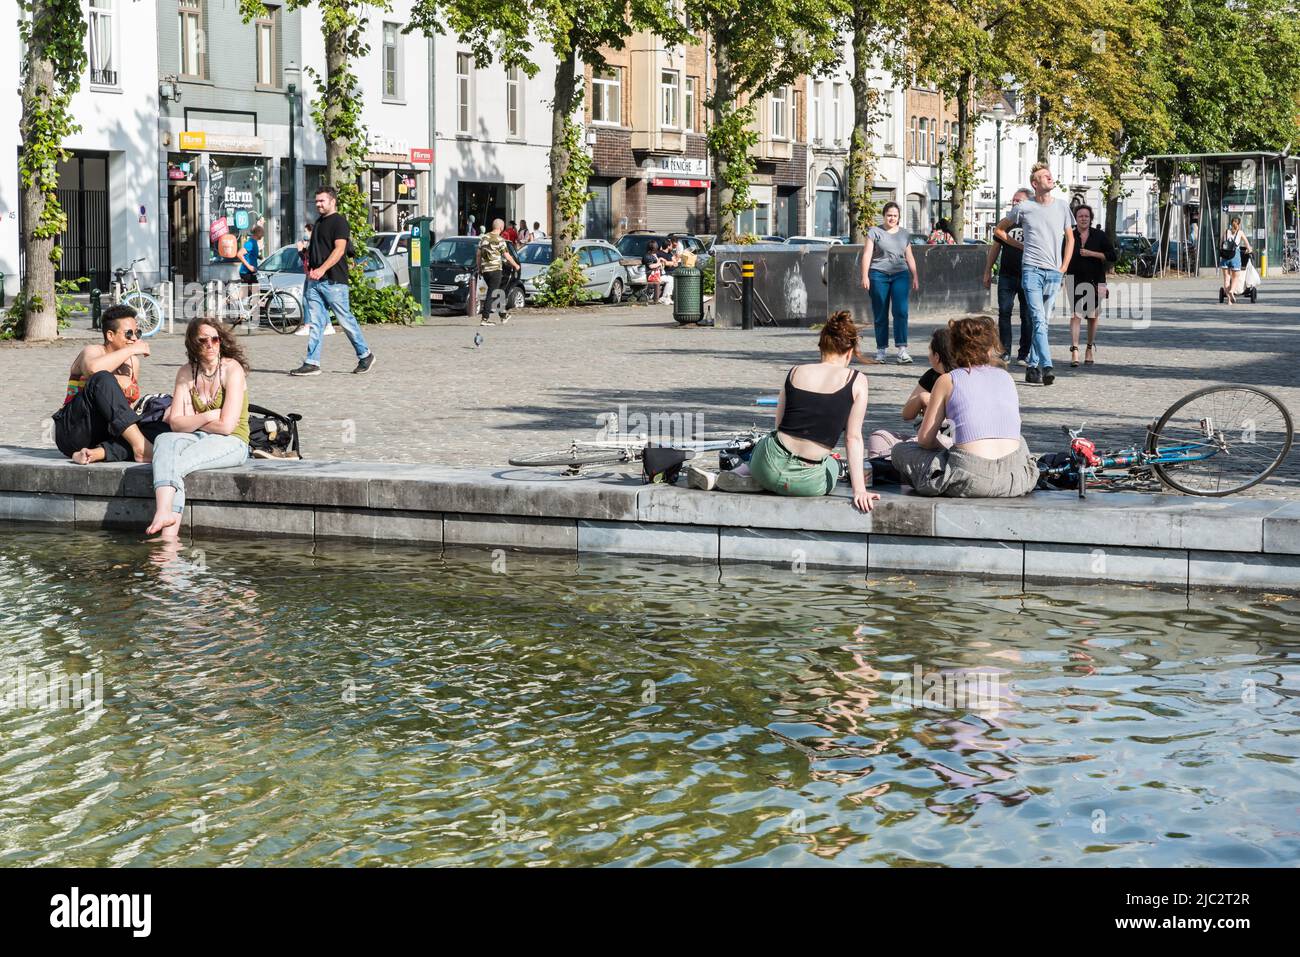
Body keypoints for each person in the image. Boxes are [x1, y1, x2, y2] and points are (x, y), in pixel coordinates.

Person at [688, 312, 878, 512]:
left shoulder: (795, 371)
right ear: (850, 352)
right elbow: (853, 439)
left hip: (767, 463)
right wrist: (860, 491)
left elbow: (778, 427)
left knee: (768, 443)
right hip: (807, 481)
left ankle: (745, 475)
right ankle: (764, 480)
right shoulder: (856, 380)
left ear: (821, 347)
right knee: (831, 464)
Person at [890, 315, 1039, 497]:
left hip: (971, 478)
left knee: (900, 451)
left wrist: (947, 452)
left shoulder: (948, 380)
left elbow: (925, 440)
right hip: (1015, 477)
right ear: (990, 348)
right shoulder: (1006, 377)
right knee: (1019, 440)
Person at [146, 318, 251, 540]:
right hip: (197, 436)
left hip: (233, 441)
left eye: (215, 339)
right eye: (203, 340)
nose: (210, 345)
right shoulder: (186, 372)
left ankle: (168, 537)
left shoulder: (232, 369)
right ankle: (164, 514)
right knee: (165, 439)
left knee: (176, 464)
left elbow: (227, 426)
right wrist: (208, 415)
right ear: (193, 343)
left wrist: (192, 418)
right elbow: (175, 423)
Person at [993, 162, 1075, 385]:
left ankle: (1032, 365)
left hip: (1054, 271)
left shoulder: (1062, 206)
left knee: (1043, 321)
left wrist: (1064, 267)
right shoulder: (1024, 207)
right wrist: (1020, 246)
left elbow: (1071, 239)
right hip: (1031, 270)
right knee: (1037, 318)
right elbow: (999, 230)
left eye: (1050, 175)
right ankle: (1047, 366)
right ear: (1034, 183)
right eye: (1044, 176)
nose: (1050, 178)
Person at [52, 304, 163, 464]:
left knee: (160, 422)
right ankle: (140, 448)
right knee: (102, 378)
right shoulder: (93, 351)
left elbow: (124, 411)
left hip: (104, 434)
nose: (134, 338)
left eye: (137, 333)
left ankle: (95, 453)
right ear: (110, 335)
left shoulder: (133, 363)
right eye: (128, 334)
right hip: (74, 430)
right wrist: (131, 350)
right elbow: (93, 370)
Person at [290, 186, 374, 376]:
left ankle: (365, 355)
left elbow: (339, 250)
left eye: (322, 201)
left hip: (333, 281)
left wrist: (321, 269)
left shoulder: (339, 222)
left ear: (332, 201)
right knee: (316, 323)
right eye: (317, 201)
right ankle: (312, 362)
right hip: (315, 281)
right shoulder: (319, 222)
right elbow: (318, 250)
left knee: (345, 320)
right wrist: (308, 261)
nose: (318, 204)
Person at [867, 326, 957, 459]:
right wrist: (921, 398)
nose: (928, 355)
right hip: (923, 440)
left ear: (937, 356)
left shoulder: (960, 379)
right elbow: (906, 415)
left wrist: (938, 409)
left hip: (949, 441)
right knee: (879, 437)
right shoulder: (931, 376)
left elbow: (954, 432)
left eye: (929, 350)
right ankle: (884, 466)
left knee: (904, 449)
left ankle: (891, 462)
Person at [860, 201, 920, 364]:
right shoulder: (874, 232)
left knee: (901, 311)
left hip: (900, 274)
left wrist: (915, 275)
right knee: (880, 313)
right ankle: (881, 351)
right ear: (884, 216)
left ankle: (902, 350)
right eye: (889, 215)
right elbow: (867, 255)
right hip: (878, 274)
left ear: (899, 217)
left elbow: (909, 256)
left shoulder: (904, 234)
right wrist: (865, 276)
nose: (892, 218)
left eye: (895, 215)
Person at [983, 188, 1032, 363]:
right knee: (1004, 312)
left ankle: (1024, 353)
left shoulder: (1032, 222)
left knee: (1027, 315)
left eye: (1018, 201)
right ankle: (1005, 350)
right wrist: (988, 270)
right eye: (1013, 200)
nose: (1014, 203)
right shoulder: (1006, 223)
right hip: (1007, 275)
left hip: (1028, 274)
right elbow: (995, 248)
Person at [1066, 204, 1115, 367]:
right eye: (1080, 216)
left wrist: (1091, 253)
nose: (1083, 218)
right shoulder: (1069, 235)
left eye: (1086, 216)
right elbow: (1061, 257)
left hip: (1097, 280)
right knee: (1076, 314)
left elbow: (1112, 256)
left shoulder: (1099, 236)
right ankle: (1074, 350)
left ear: (1091, 218)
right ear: (1076, 218)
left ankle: (1089, 348)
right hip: (1074, 278)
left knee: (1093, 316)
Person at [475, 217, 520, 326]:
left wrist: (479, 268)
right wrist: (516, 265)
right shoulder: (500, 240)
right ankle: (485, 318)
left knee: (497, 291)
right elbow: (507, 255)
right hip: (495, 269)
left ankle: (503, 315)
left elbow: (478, 255)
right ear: (501, 227)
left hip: (485, 270)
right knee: (492, 293)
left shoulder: (484, 238)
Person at [294, 223, 333, 337]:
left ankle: (308, 325)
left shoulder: (315, 244)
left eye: (306, 231)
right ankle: (327, 325)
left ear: (311, 232)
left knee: (307, 300)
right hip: (310, 274)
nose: (305, 234)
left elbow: (309, 259)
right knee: (315, 301)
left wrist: (300, 251)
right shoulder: (311, 244)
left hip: (313, 275)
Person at [1219, 215, 1251, 305]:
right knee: (1235, 277)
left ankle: (1229, 300)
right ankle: (1232, 291)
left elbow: (1220, 244)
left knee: (1226, 278)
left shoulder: (1225, 232)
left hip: (1225, 257)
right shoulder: (1240, 233)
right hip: (1235, 257)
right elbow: (1247, 244)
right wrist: (1249, 249)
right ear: (1239, 224)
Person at [236, 224, 263, 303]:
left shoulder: (254, 242)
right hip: (246, 272)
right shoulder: (250, 243)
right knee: (250, 292)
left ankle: (249, 311)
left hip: (250, 272)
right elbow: (239, 254)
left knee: (254, 292)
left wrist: (259, 257)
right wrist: (249, 267)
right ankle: (228, 301)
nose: (262, 235)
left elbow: (251, 254)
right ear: (257, 233)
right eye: (261, 233)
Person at [658, 236, 681, 304]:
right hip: (664, 274)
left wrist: (674, 262)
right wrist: (671, 263)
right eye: (672, 245)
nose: (673, 247)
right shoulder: (660, 253)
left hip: (671, 272)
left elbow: (674, 262)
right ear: (668, 246)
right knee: (671, 279)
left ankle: (670, 297)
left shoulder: (669, 253)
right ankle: (665, 297)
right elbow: (666, 263)